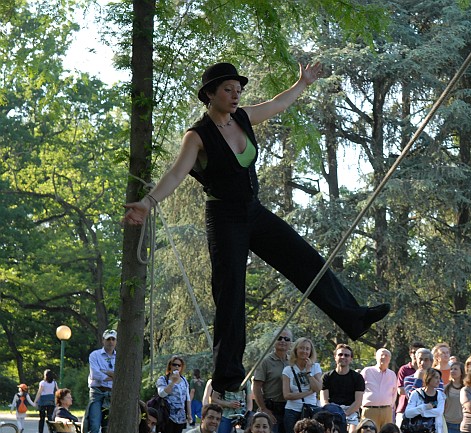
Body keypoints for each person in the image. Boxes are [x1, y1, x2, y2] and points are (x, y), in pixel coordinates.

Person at [122, 60, 390, 399]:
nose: (235, 96)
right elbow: (176, 174)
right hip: (223, 217)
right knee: (230, 295)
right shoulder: (197, 135)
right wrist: (148, 202)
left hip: (253, 211)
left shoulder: (243, 118)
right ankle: (226, 380)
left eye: (238, 90)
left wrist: (303, 82)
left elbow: (277, 103)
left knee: (307, 259)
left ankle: (355, 317)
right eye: (228, 90)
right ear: (210, 94)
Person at [84, 328, 117, 433]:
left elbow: (121, 375)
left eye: (113, 339)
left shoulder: (120, 356)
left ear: (116, 341)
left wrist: (105, 372)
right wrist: (113, 375)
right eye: (108, 339)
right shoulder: (95, 355)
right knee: (94, 428)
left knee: (108, 430)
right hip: (97, 393)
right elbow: (95, 375)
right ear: (103, 340)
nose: (110, 342)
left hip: (112, 395)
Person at [254, 328, 292, 433]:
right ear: (274, 341)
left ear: (291, 343)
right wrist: (264, 409)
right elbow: (256, 387)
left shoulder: (293, 362)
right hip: (272, 409)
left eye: (286, 339)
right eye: (279, 338)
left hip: (290, 409)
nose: (283, 341)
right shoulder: (265, 361)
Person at [322, 344, 366, 433]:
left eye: (346, 355)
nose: (343, 357)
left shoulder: (357, 378)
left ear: (351, 359)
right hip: (332, 411)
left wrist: (343, 415)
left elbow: (358, 402)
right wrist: (334, 413)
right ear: (335, 357)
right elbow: (324, 401)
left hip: (351, 411)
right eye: (340, 354)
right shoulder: (327, 377)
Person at [283, 337, 323, 433]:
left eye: (307, 349)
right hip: (292, 411)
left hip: (310, 410)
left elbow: (318, 389)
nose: (304, 351)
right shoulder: (288, 370)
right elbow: (287, 395)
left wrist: (308, 372)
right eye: (301, 348)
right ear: (296, 350)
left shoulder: (315, 367)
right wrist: (309, 392)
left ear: (310, 352)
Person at [405, 368, 446, 433]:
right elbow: (408, 413)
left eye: (439, 378)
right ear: (428, 377)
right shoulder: (416, 394)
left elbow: (439, 412)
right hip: (418, 431)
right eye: (435, 377)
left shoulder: (440, 395)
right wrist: (424, 407)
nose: (438, 380)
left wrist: (420, 413)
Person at [156, 355, 192, 433]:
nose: (176, 367)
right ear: (170, 366)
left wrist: (189, 414)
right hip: (168, 415)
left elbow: (187, 398)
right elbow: (162, 394)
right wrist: (172, 382)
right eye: (174, 364)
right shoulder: (163, 379)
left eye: (179, 365)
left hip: (180, 416)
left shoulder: (184, 380)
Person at [397, 341, 426, 433]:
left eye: (418, 353)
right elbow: (400, 390)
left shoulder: (427, 371)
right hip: (404, 409)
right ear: (410, 354)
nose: (415, 355)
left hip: (421, 412)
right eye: (413, 352)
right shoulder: (404, 369)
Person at [361, 348, 398, 433]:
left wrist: (390, 405)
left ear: (390, 359)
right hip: (369, 410)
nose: (384, 357)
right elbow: (359, 389)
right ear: (376, 357)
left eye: (387, 355)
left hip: (386, 410)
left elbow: (394, 392)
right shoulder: (367, 371)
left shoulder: (392, 374)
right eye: (381, 355)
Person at [444, 361, 464, 433]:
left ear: (462, 372)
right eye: (451, 369)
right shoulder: (446, 388)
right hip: (448, 425)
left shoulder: (467, 389)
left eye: (455, 369)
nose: (452, 371)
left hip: (462, 426)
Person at [35, 369, 58, 433]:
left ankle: (40, 431)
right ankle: (51, 431)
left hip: (43, 400)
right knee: (50, 416)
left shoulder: (42, 383)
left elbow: (39, 392)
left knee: (42, 417)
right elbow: (57, 390)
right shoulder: (54, 382)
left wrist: (35, 401)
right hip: (51, 399)